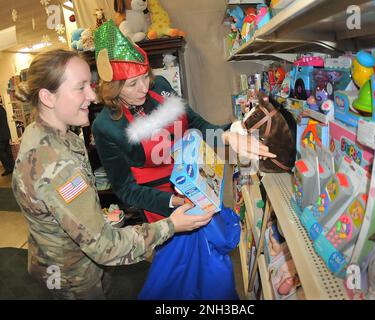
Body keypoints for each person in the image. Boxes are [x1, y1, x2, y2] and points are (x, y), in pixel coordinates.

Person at [11, 49, 214, 300]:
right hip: (73, 276)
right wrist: (172, 225)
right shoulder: (54, 164)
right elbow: (105, 246)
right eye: (80, 87)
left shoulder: (56, 135)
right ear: (47, 97)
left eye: (90, 85)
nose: (93, 96)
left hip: (75, 258)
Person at [92, 20, 275, 223]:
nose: (144, 88)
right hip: (164, 207)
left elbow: (194, 122)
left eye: (145, 77)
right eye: (133, 84)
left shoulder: (159, 85)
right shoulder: (105, 126)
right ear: (112, 87)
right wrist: (174, 201)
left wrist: (227, 134)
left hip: (199, 182)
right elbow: (125, 188)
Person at [0, 100, 14, 176]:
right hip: (6, 134)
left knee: (2, 153)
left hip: (1, 136)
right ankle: (12, 166)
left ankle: (8, 168)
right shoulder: (2, 108)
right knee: (8, 151)